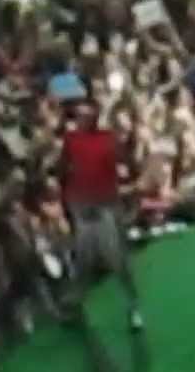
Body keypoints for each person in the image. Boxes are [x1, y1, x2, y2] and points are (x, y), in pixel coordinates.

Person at [59, 100, 143, 331]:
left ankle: (133, 306)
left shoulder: (108, 139)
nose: (81, 120)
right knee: (83, 261)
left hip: (106, 207)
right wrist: (69, 201)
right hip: (82, 207)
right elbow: (62, 169)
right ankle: (76, 306)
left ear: (95, 118)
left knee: (117, 261)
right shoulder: (71, 140)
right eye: (78, 116)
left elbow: (128, 163)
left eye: (85, 116)